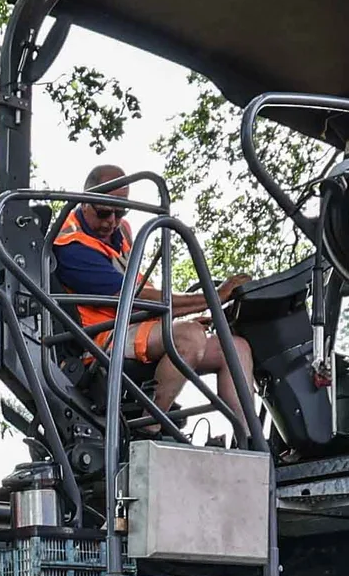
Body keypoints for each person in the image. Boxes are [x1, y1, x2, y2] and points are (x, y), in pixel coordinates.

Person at [44, 164, 231, 402]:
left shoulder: (120, 233)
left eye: (120, 212)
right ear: (84, 201)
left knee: (234, 348)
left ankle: (247, 436)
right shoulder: (71, 246)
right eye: (103, 213)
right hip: (106, 339)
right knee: (189, 336)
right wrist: (211, 298)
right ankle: (150, 431)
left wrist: (177, 316)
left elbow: (145, 295)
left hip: (137, 326)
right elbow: (134, 300)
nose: (111, 222)